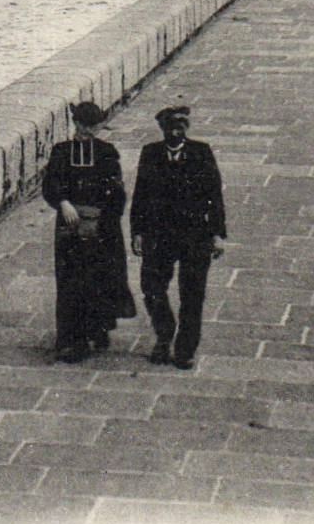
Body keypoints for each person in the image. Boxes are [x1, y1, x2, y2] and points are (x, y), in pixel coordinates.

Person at [130, 104, 226, 368]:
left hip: (195, 235)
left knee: (192, 294)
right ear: (162, 128)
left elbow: (214, 194)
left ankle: (185, 349)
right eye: (171, 125)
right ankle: (164, 334)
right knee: (152, 288)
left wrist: (218, 234)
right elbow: (140, 194)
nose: (177, 130)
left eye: (182, 125)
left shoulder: (201, 152)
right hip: (159, 235)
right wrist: (137, 231)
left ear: (187, 128)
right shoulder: (150, 153)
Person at [41, 101, 134, 363]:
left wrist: (102, 220)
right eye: (82, 125)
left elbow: (117, 193)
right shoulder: (61, 152)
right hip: (70, 227)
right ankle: (71, 339)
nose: (86, 131)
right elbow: (51, 184)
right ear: (75, 124)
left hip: (102, 227)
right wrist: (63, 203)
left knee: (100, 278)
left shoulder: (106, 152)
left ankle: (98, 328)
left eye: (92, 126)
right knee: (70, 281)